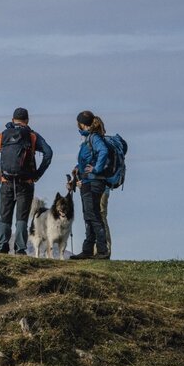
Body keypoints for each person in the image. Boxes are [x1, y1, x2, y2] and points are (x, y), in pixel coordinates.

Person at [0, 107, 54, 255]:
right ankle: (20, 249)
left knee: (4, 217)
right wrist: (38, 174)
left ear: (13, 120)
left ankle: (2, 247)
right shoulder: (32, 136)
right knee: (22, 218)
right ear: (27, 120)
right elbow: (48, 153)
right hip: (26, 183)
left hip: (6, 181)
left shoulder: (3, 136)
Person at [68, 110, 110, 259]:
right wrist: (78, 168)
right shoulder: (89, 139)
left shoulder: (94, 138)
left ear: (83, 124)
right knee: (89, 215)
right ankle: (87, 250)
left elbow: (103, 151)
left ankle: (102, 251)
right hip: (87, 181)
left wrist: (96, 169)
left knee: (94, 216)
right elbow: (89, 159)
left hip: (93, 182)